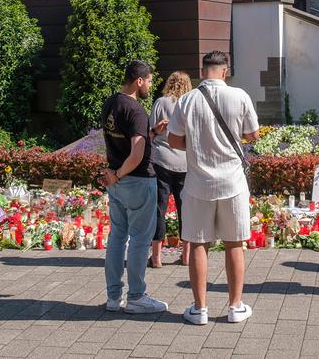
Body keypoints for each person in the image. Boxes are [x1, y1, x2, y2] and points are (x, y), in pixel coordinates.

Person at [168, 51, 259, 325]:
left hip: (197, 182)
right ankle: (234, 306)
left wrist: (196, 147)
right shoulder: (239, 96)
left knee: (198, 244)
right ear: (225, 70)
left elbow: (173, 140)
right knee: (234, 244)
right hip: (232, 181)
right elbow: (252, 134)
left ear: (203, 70)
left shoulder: (187, 99)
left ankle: (200, 309)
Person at [101, 60, 168, 314]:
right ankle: (137, 296)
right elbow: (137, 153)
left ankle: (113, 297)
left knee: (117, 237)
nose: (150, 85)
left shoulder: (111, 103)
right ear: (139, 81)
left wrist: (151, 133)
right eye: (149, 80)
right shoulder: (136, 110)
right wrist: (118, 174)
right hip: (137, 180)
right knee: (140, 240)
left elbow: (129, 142)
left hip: (117, 183)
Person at [149, 71, 192, 268]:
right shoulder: (191, 103)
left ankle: (156, 257)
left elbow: (151, 129)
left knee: (159, 207)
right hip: (185, 161)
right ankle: (186, 256)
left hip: (162, 160)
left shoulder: (160, 102)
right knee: (186, 209)